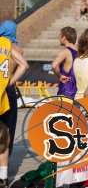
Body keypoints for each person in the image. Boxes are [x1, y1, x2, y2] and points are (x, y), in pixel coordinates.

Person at [0, 20, 29, 188]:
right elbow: (23, 66)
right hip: (8, 90)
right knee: (7, 129)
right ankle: (4, 169)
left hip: (2, 87)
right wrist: (10, 82)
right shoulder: (17, 48)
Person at [52, 27, 77, 99]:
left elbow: (54, 66)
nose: (59, 39)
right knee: (76, 110)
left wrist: (60, 76)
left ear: (64, 38)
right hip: (79, 89)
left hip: (67, 89)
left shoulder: (65, 52)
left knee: (64, 110)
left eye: (60, 37)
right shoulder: (81, 50)